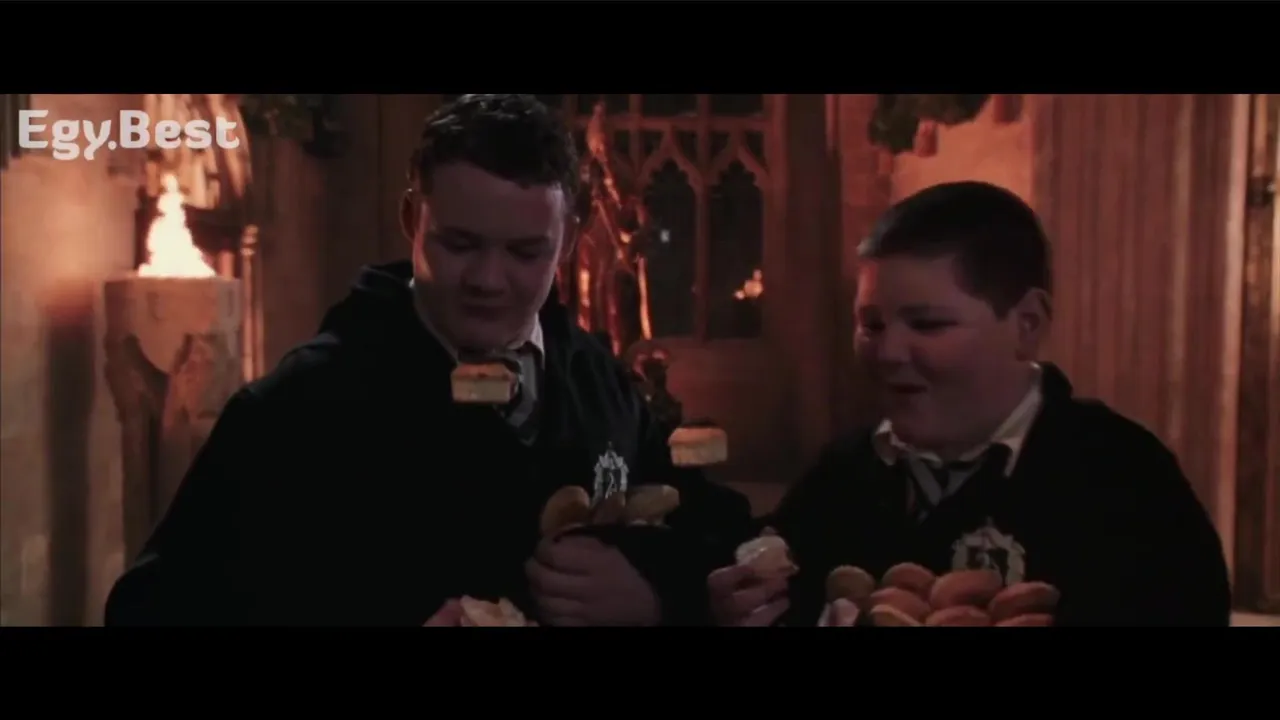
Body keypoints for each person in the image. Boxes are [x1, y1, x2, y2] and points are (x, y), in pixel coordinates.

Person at [105, 94, 751, 626]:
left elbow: (715, 537)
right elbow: (151, 610)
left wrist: (659, 595)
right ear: (413, 218)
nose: (489, 280)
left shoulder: (601, 383)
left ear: (569, 241)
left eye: (525, 252)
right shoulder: (299, 409)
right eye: (460, 244)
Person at [708, 181, 1232, 628]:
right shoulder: (841, 476)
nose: (887, 353)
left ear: (1027, 325)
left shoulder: (1124, 479)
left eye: (927, 324)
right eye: (871, 325)